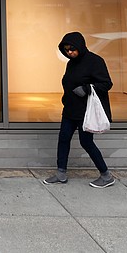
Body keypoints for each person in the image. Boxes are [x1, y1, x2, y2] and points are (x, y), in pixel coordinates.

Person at [43, 31, 115, 188]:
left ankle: (106, 175)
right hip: (70, 110)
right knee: (63, 139)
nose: (70, 52)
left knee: (86, 142)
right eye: (67, 50)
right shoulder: (71, 63)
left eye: (72, 49)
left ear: (80, 46)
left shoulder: (95, 61)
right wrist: (65, 98)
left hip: (85, 111)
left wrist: (87, 88)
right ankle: (61, 173)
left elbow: (107, 84)